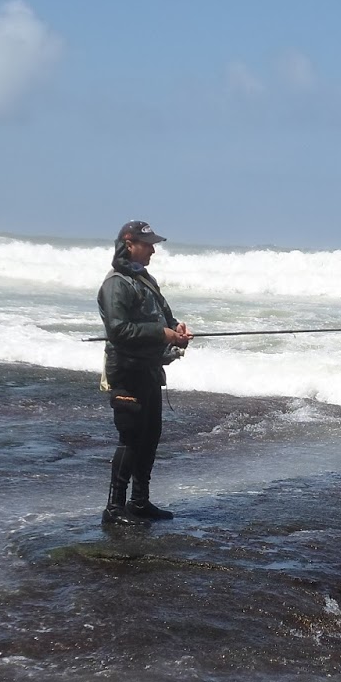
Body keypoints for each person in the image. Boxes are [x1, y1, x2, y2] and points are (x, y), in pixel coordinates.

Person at [97, 220, 192, 525]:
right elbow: (119, 330)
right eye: (147, 244)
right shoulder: (116, 284)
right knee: (130, 437)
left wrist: (177, 329)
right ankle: (114, 508)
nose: (153, 250)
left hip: (150, 369)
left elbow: (165, 316)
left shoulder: (146, 280)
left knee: (150, 435)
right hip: (126, 371)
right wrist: (162, 334)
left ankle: (139, 502)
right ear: (129, 244)